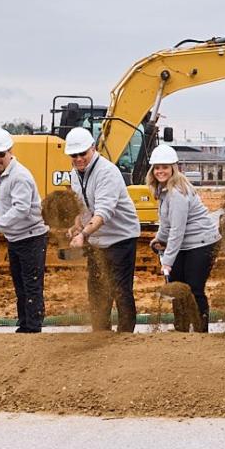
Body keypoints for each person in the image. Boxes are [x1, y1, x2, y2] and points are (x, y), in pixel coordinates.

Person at [64, 127, 142, 332]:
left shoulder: (107, 172)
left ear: (93, 148)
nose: (79, 158)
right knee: (97, 290)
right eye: (74, 155)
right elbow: (82, 206)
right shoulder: (75, 174)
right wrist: (76, 225)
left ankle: (125, 335)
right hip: (97, 239)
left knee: (120, 289)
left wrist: (83, 235)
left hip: (120, 238)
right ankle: (101, 333)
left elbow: (103, 212)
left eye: (83, 154)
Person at [0, 128, 49, 333]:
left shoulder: (20, 176)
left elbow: (20, 210)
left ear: (10, 151)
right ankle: (24, 324)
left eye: (1, 154)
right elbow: (4, 204)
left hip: (31, 238)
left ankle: (33, 328)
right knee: (20, 285)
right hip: (15, 238)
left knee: (31, 285)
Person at [148, 144, 221, 332]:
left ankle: (200, 330)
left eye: (164, 167)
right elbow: (167, 223)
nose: (160, 171)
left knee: (194, 288)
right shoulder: (163, 190)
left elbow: (177, 231)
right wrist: (157, 239)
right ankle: (181, 331)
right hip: (185, 245)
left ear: (174, 168)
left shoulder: (178, 192)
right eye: (157, 167)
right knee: (177, 288)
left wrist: (167, 262)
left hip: (202, 243)